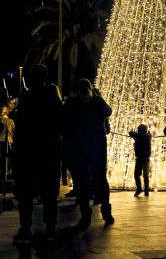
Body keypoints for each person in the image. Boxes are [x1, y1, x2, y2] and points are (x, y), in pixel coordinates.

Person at [12, 64, 62, 245]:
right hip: (47, 150)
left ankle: (26, 227)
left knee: (27, 193)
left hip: (30, 150)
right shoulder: (51, 95)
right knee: (48, 192)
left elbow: (22, 122)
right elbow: (59, 120)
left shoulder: (28, 96)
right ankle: (49, 227)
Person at [63, 78, 113, 228]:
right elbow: (108, 111)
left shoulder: (73, 103)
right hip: (96, 144)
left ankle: (86, 215)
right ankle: (106, 212)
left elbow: (66, 121)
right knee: (100, 179)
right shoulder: (96, 102)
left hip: (80, 145)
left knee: (83, 181)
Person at [129, 124, 151, 196]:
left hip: (139, 158)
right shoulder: (148, 136)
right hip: (146, 158)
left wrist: (134, 132)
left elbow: (130, 133)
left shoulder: (137, 136)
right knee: (146, 175)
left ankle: (139, 188)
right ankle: (146, 190)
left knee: (136, 174)